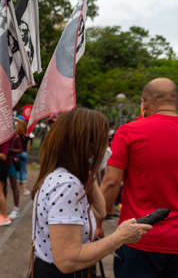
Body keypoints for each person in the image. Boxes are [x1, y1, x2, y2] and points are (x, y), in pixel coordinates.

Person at [29, 108, 152, 278]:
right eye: (104, 141)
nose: (107, 148)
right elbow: (67, 260)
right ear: (89, 145)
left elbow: (100, 212)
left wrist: (87, 170)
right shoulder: (67, 185)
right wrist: (120, 237)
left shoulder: (67, 176)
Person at [100, 78, 178, 278]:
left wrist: (97, 222)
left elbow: (111, 183)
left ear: (146, 102)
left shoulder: (129, 131)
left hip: (138, 239)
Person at [6, 133, 22, 220]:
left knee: (14, 186)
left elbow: (20, 149)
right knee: (3, 185)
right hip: (3, 162)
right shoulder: (2, 134)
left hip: (11, 163)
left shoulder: (15, 136)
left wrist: (9, 150)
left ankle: (16, 209)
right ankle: (3, 209)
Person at [15, 116, 32, 196]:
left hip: (17, 154)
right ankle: (25, 189)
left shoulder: (16, 134)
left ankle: (17, 189)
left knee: (17, 171)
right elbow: (28, 147)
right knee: (24, 171)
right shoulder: (27, 135)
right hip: (24, 153)